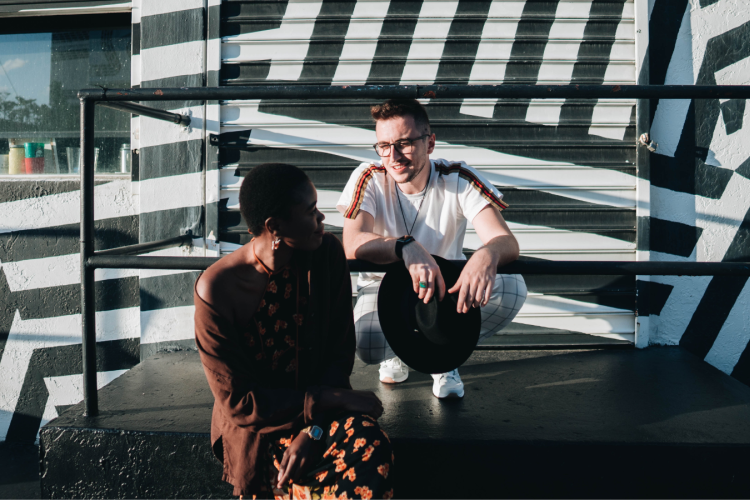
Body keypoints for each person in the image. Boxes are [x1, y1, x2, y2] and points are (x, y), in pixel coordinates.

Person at [195, 163, 394, 499]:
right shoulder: (217, 289)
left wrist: (314, 429)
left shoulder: (326, 254)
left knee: (371, 444)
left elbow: (339, 354)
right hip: (259, 427)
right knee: (285, 472)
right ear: (275, 227)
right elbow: (240, 403)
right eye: (311, 211)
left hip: (323, 418)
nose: (322, 220)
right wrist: (331, 399)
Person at [337, 99, 528, 399]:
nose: (393, 156)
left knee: (513, 287)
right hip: (386, 291)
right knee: (369, 345)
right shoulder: (370, 177)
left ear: (430, 142)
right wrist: (404, 247)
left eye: (404, 143)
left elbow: (506, 241)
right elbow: (352, 243)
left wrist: (486, 254)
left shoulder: (457, 177)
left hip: (445, 289)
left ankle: (445, 354)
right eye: (384, 145)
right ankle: (400, 350)